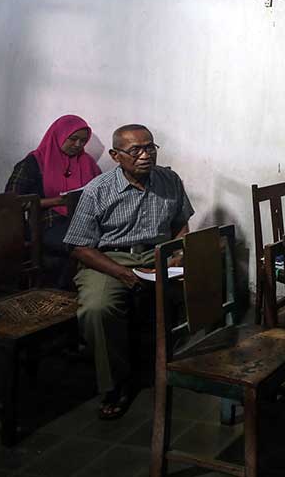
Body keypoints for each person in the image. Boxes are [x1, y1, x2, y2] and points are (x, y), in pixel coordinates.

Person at [64, 124, 194, 420]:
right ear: (115, 155)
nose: (145, 155)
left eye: (150, 148)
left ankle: (180, 365)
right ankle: (116, 384)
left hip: (156, 254)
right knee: (98, 308)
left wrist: (178, 253)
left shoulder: (169, 180)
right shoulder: (98, 190)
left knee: (206, 278)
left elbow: (180, 223)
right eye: (135, 150)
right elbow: (79, 247)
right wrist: (124, 274)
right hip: (108, 259)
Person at [5, 114, 101, 287]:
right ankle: (59, 294)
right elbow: (11, 203)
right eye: (73, 139)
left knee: (103, 240)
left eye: (83, 141)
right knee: (77, 244)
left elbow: (102, 190)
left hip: (83, 219)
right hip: (47, 222)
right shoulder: (34, 162)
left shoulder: (87, 162)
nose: (78, 145)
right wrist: (57, 201)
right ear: (59, 135)